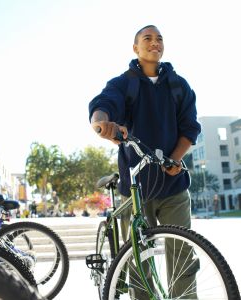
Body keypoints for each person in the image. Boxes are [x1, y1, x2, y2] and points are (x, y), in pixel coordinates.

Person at [89, 25, 201, 299]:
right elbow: (103, 104)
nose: (155, 43)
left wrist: (175, 159)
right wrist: (101, 123)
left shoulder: (178, 86)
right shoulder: (124, 83)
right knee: (140, 262)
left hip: (173, 187)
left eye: (159, 38)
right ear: (135, 48)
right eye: (147, 38)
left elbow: (189, 128)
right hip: (136, 188)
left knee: (183, 256)